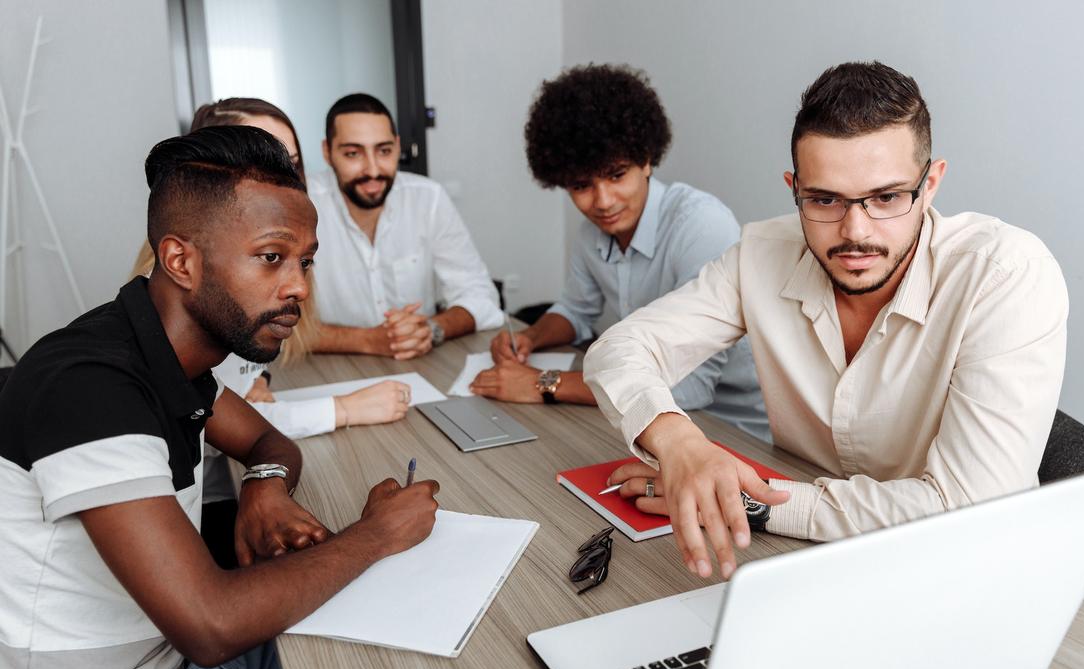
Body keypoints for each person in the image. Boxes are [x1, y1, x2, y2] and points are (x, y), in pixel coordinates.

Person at [585, 61, 1067, 582]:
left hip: (961, 575)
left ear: (930, 185)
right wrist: (678, 442)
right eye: (824, 199)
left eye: (886, 197)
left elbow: (968, 511)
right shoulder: (761, 255)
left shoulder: (1005, 275)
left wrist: (750, 502)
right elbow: (619, 349)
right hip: (801, 567)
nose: (855, 231)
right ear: (794, 188)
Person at [0, 126, 439, 669]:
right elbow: (211, 626)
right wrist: (377, 534)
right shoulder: (91, 386)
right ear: (181, 262)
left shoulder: (173, 359)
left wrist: (264, 486)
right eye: (271, 256)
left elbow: (266, 439)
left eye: (305, 260)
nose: (300, 286)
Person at [128, 98, 412, 569]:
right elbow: (207, 620)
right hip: (204, 519)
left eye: (289, 164)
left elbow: (255, 424)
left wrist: (264, 470)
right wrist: (343, 411)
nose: (298, 285)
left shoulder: (227, 309)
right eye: (262, 160)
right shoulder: (132, 365)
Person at [472, 64, 769, 442]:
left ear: (646, 159)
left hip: (732, 429)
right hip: (644, 415)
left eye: (616, 175)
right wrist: (531, 336)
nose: (603, 202)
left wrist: (543, 383)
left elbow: (690, 389)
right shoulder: (592, 233)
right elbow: (576, 312)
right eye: (582, 185)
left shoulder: (700, 224)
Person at [309, 93, 502, 359]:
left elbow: (482, 297)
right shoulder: (301, 204)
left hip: (419, 363)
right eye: (353, 153)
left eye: (384, 151)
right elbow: (270, 326)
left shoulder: (428, 198)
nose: (373, 169)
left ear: (398, 146)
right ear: (327, 152)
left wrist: (431, 329)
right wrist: (367, 340)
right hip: (325, 370)